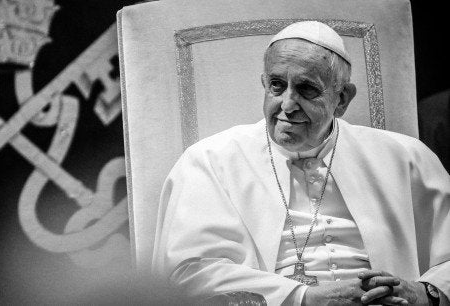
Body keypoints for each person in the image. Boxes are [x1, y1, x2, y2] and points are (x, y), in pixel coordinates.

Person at [153, 21, 449, 305]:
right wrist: (303, 298)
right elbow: (189, 272)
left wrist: (426, 293)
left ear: (342, 98)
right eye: (277, 85)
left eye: (307, 89)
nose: (287, 104)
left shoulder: (405, 156)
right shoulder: (211, 160)